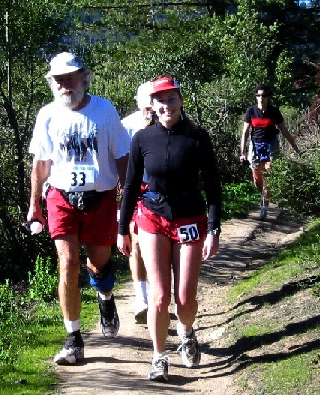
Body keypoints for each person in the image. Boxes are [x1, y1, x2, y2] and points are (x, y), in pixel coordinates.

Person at [27, 52, 131, 365]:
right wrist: (34, 205)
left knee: (98, 264)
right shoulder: (47, 114)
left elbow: (123, 155)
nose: (64, 85)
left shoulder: (104, 110)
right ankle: (73, 339)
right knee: (68, 262)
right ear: (52, 83)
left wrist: (127, 196)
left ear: (83, 78)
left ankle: (105, 297)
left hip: (100, 197)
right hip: (61, 196)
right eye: (58, 80)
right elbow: (41, 163)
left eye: (70, 78)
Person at [117, 76, 222, 382]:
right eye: (160, 100)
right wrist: (123, 228)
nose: (166, 105)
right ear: (153, 104)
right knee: (160, 296)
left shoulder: (198, 137)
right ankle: (159, 357)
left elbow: (214, 186)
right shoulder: (142, 138)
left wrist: (214, 229)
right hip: (152, 218)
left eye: (171, 99)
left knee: (185, 298)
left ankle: (187, 332)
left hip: (190, 218)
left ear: (180, 101)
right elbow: (131, 186)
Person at [120, 81, 156, 324]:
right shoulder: (126, 126)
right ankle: (141, 299)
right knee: (136, 242)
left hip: (162, 190)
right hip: (135, 189)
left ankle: (158, 295)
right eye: (145, 108)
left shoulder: (173, 121)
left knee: (157, 245)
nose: (149, 114)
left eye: (151, 108)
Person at [239, 84, 300, 220]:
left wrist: (296, 148)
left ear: (269, 97)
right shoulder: (251, 111)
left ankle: (265, 206)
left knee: (269, 171)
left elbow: (284, 131)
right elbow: (245, 132)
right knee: (257, 178)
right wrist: (242, 153)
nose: (261, 98)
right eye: (259, 95)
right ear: (256, 97)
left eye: (264, 96)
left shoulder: (274, 112)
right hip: (255, 145)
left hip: (271, 144)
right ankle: (264, 194)